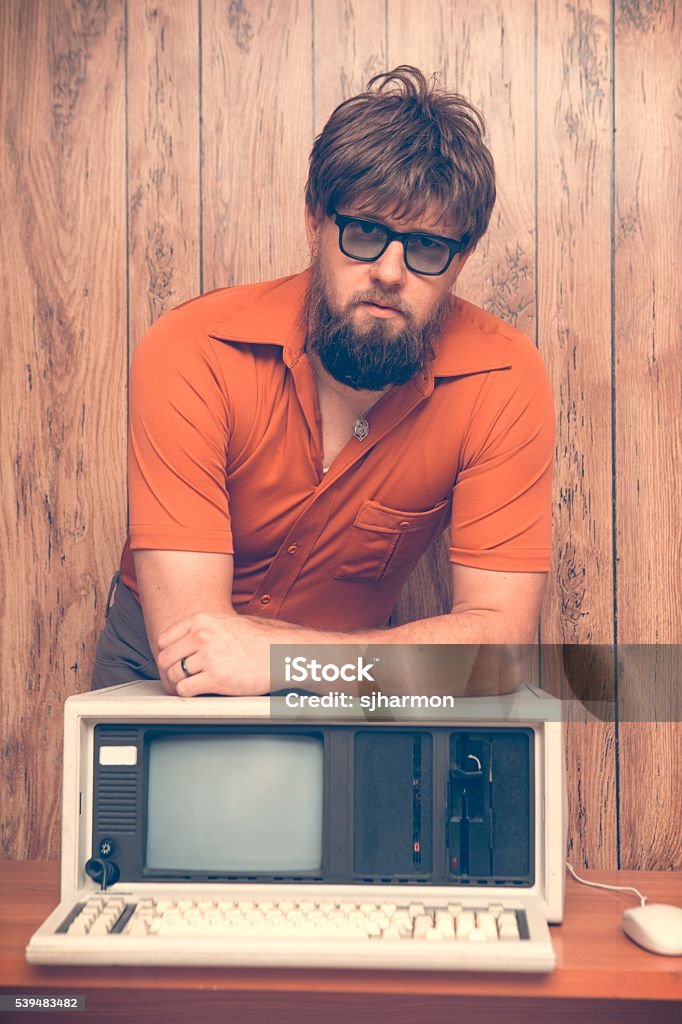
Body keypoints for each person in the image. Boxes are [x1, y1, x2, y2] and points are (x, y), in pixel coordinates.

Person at [92, 66, 554, 699]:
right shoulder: (192, 348)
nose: (390, 272)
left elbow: (497, 654)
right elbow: (193, 647)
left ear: (460, 260)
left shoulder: (503, 378)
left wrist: (289, 660)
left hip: (356, 674)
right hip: (159, 661)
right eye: (364, 232)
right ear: (316, 221)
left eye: (425, 247)